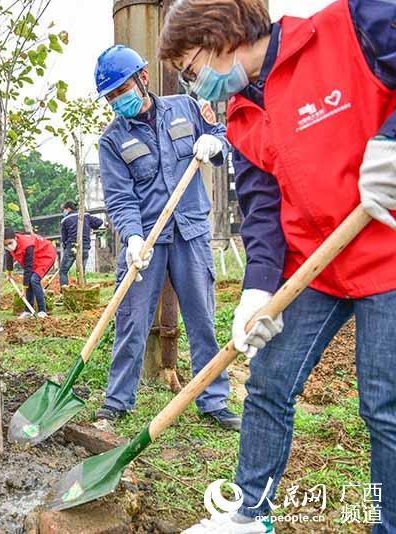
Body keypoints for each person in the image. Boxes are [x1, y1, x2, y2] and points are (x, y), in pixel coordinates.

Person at [158, 0, 396, 532]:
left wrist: (392, 141)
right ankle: (248, 515)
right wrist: (257, 291)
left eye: (193, 70)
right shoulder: (242, 113)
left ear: (221, 36)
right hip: (318, 266)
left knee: (385, 407)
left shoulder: (352, 25)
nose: (197, 87)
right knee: (267, 382)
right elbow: (262, 211)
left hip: (388, 258)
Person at [95, 45, 240, 432]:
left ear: (142, 78)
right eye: (110, 96)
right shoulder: (112, 140)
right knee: (131, 320)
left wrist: (215, 145)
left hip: (190, 231)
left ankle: (213, 402)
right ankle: (116, 403)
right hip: (146, 241)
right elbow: (121, 197)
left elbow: (220, 134)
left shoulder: (186, 107)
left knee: (202, 321)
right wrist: (131, 238)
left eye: (120, 90)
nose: (117, 100)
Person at [4, 229, 56, 319]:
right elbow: (9, 258)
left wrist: (24, 289)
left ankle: (42, 311)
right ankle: (28, 311)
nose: (8, 246)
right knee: (30, 281)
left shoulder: (27, 245)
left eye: (9, 243)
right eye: (5, 245)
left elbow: (28, 269)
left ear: (15, 238)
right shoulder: (10, 245)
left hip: (46, 254)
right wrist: (9, 273)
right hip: (35, 256)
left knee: (34, 280)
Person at [58, 201, 104, 287]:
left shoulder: (65, 220)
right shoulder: (85, 215)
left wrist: (65, 247)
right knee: (81, 271)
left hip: (72, 246)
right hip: (85, 246)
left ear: (68, 209)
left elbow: (64, 238)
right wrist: (90, 226)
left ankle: (64, 291)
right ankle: (83, 289)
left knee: (63, 271)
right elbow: (99, 222)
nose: (63, 212)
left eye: (63, 210)